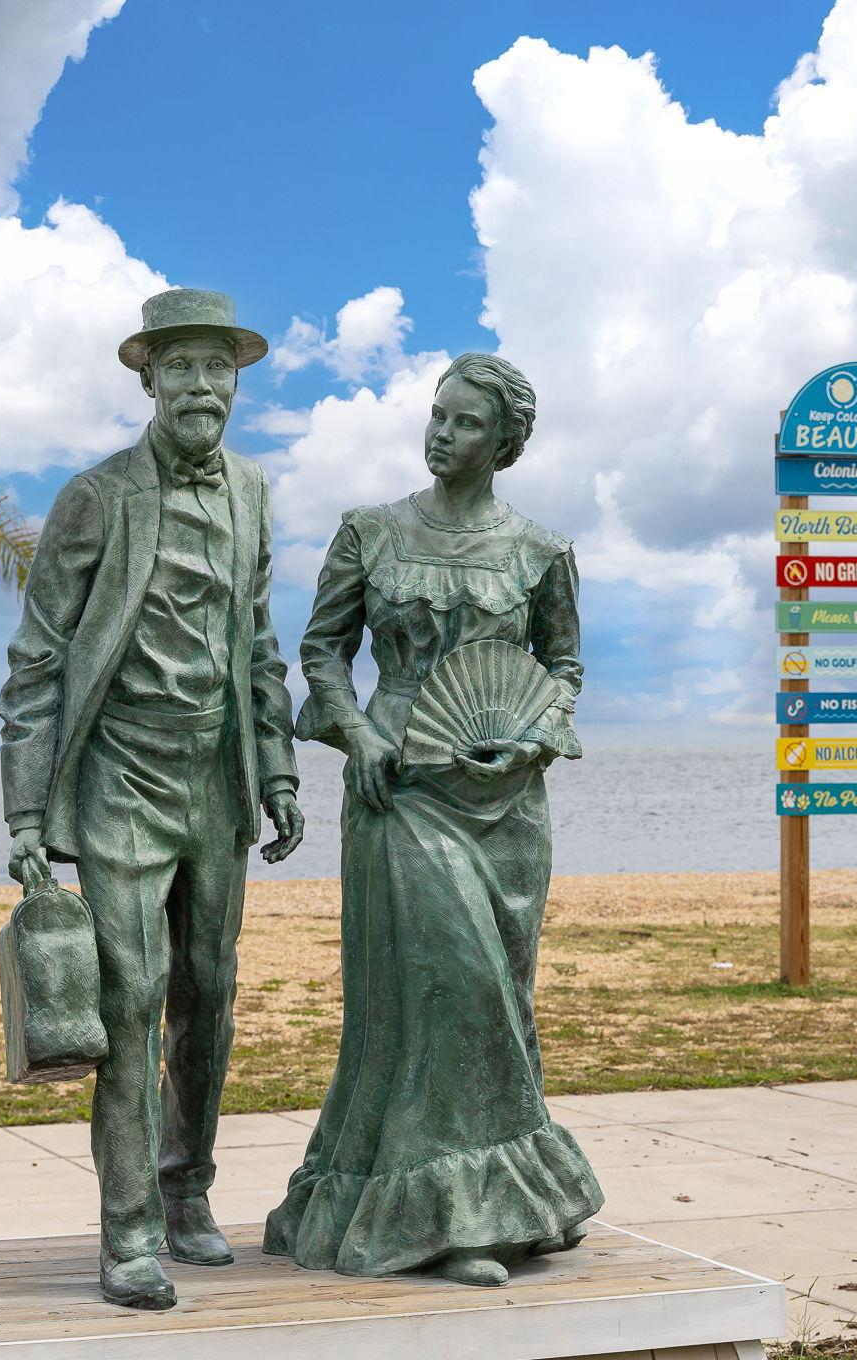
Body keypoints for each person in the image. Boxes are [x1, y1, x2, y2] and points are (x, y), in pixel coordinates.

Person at [262, 352, 602, 1287]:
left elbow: (563, 673)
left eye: (463, 423)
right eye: (437, 415)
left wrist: (531, 740)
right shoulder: (369, 532)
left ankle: (512, 1202)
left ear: (503, 443)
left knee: (500, 997)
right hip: (398, 788)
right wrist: (359, 734)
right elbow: (322, 652)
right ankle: (454, 1221)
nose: (441, 433)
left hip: (504, 802)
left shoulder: (540, 551)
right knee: (440, 991)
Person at [0, 288, 306, 1310]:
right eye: (181, 369)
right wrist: (27, 813)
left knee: (208, 1002)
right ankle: (126, 1234)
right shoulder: (97, 496)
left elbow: (257, 644)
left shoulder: (255, 491)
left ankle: (187, 1193)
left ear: (237, 383)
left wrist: (280, 771)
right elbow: (38, 660)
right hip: (121, 780)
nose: (202, 387)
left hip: (214, 783)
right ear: (149, 380)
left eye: (218, 369)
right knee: (129, 1003)